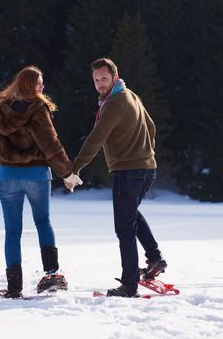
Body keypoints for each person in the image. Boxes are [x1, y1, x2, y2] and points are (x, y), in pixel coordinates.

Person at [65, 57, 167, 297]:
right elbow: (151, 127)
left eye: (104, 78)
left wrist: (76, 168)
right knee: (131, 215)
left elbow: (96, 138)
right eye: (96, 80)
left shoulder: (114, 104)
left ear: (114, 76)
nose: (100, 84)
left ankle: (129, 285)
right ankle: (155, 258)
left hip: (129, 172)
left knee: (124, 228)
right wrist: (145, 152)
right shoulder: (131, 95)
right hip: (146, 169)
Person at [0, 65, 82, 298]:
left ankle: (14, 288)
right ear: (30, 84)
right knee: (43, 221)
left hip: (7, 176)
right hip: (37, 175)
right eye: (39, 82)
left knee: (12, 232)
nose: (42, 86)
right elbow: (50, 145)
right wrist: (67, 173)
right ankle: (51, 275)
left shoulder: (1, 108)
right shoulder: (38, 109)